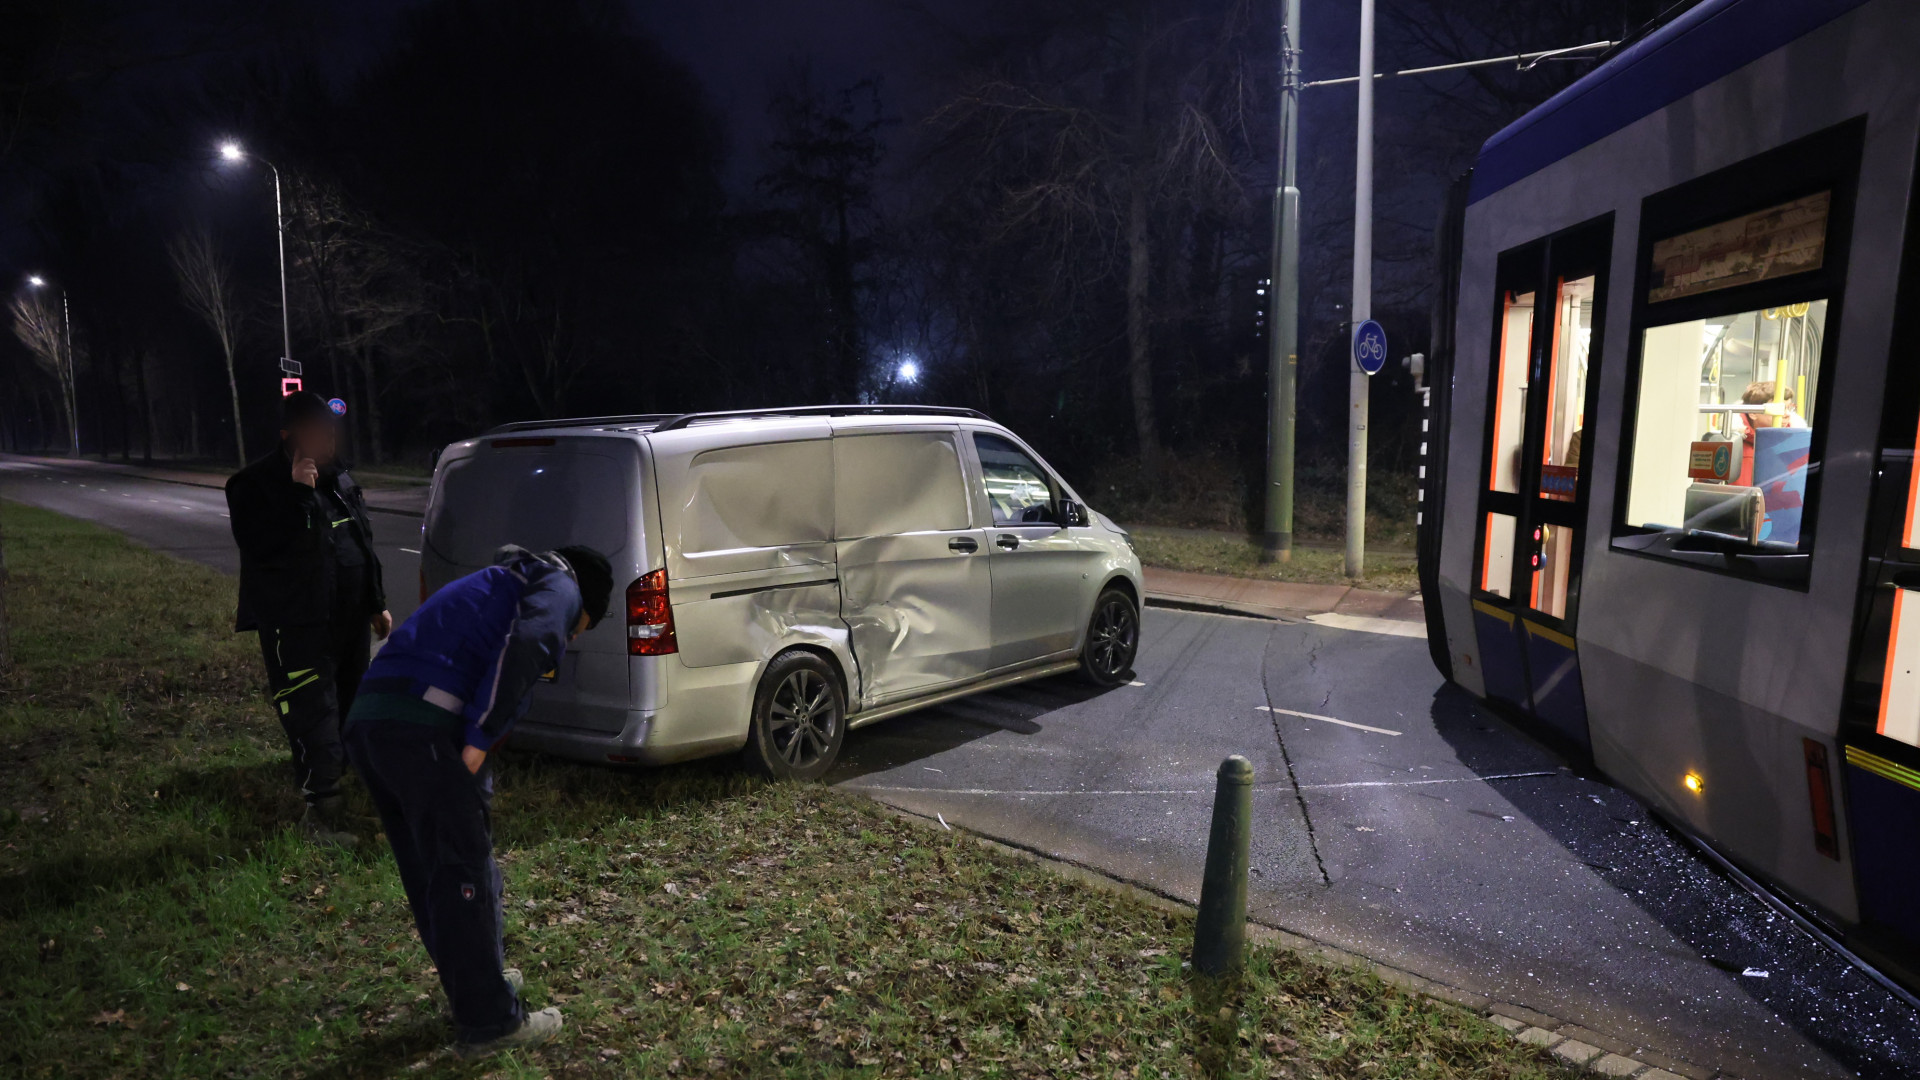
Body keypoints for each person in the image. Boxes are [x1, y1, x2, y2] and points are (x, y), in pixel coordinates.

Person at [345, 543, 612, 1060]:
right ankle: (490, 1023)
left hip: (373, 722)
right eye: (582, 627)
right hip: (422, 728)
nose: (575, 636)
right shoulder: (560, 586)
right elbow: (530, 642)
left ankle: (476, 981)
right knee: (461, 869)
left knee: (433, 869)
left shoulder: (500, 583)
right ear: (585, 604)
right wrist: (479, 738)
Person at [225, 391, 391, 846]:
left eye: (330, 432)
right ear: (289, 435)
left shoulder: (339, 479)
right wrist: (298, 492)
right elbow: (266, 549)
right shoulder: (255, 485)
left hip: (347, 622)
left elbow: (361, 541)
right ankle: (320, 816)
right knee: (312, 712)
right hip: (297, 623)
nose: (327, 440)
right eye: (317, 432)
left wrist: (375, 601)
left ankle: (343, 792)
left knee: (352, 705)